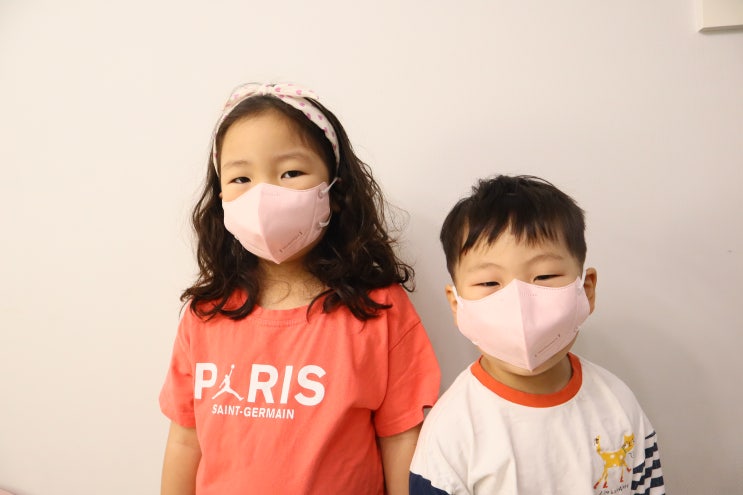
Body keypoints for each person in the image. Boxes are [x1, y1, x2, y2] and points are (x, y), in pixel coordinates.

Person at [159, 82, 441, 495]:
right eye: (241, 177)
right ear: (221, 199)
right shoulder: (206, 313)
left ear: (336, 191)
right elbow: (186, 440)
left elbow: (401, 439)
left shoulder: (378, 309)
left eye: (290, 173)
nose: (263, 194)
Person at [409, 175, 664, 494]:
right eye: (489, 283)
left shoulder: (618, 404)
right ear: (456, 304)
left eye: (544, 276)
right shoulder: (451, 434)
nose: (520, 304)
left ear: (586, 290)